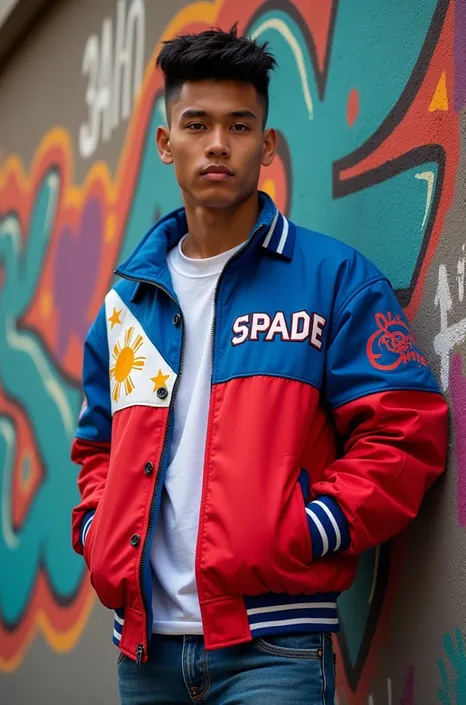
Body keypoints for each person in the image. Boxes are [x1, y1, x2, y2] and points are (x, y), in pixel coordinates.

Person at [71, 24, 448, 705]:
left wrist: (311, 526)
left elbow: (407, 431)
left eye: (240, 125)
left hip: (274, 650)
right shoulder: (126, 305)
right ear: (166, 143)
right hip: (144, 651)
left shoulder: (331, 281)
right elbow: (96, 446)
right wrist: (99, 530)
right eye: (197, 123)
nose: (219, 143)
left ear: (267, 145)